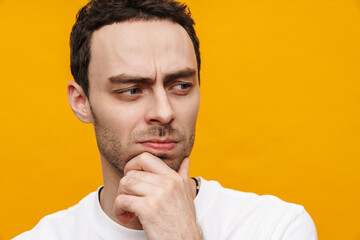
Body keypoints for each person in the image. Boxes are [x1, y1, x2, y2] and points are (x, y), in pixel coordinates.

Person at [14, 0, 317, 239]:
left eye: (181, 86)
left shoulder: (277, 228)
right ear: (82, 102)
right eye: (132, 90)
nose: (164, 111)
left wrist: (181, 235)